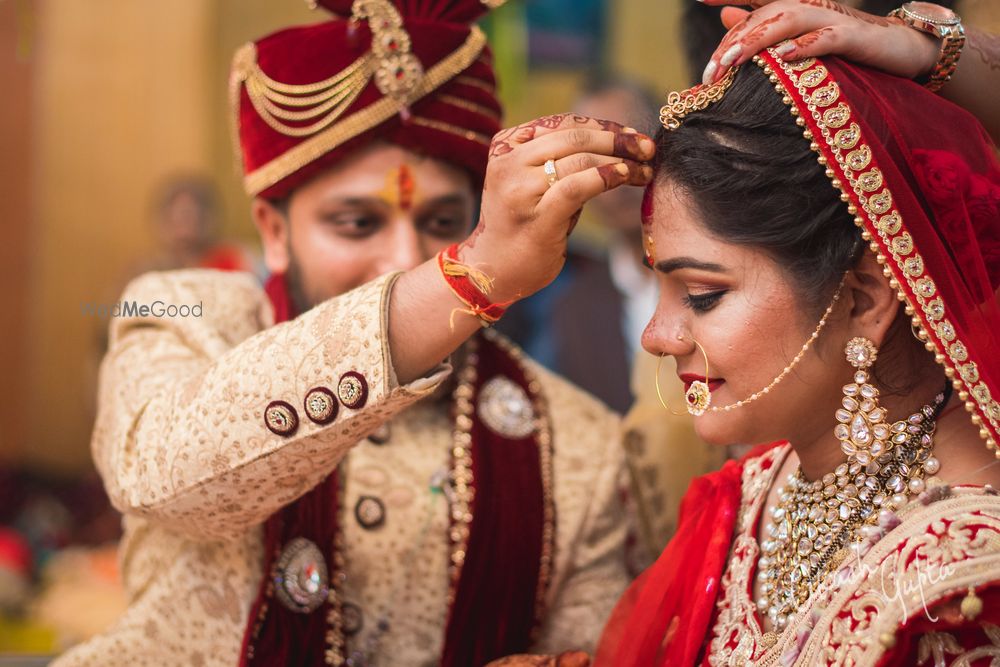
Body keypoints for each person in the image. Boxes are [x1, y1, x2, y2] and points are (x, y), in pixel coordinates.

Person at [54, 1, 657, 665]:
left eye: (443, 221)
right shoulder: (185, 314)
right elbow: (165, 476)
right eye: (357, 224)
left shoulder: (577, 445)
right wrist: (468, 276)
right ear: (274, 230)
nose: (406, 259)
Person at [492, 1, 1000, 665]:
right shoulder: (756, 490)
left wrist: (934, 47)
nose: (656, 333)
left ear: (863, 299)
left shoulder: (963, 582)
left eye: (702, 295)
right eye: (659, 286)